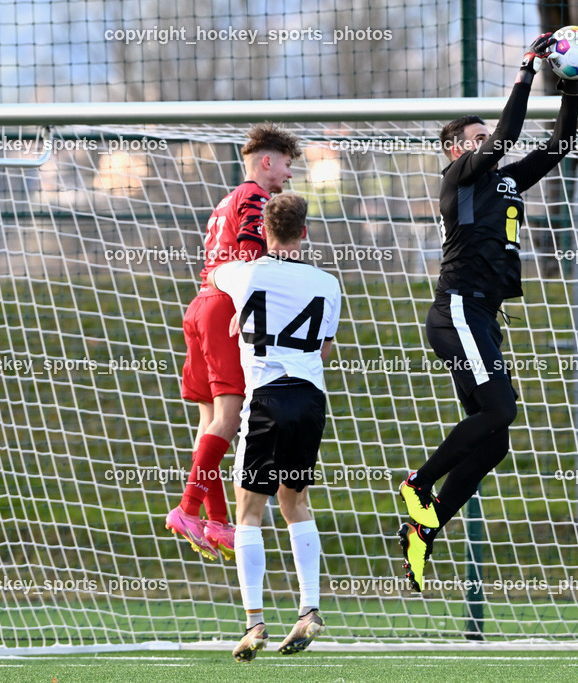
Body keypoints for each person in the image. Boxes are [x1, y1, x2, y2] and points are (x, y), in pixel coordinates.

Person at [398, 33, 578, 592]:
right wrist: (526, 72)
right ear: (458, 150)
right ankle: (419, 483)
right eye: (475, 139)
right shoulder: (459, 179)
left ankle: (423, 532)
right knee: (500, 410)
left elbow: (561, 143)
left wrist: (568, 85)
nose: (487, 143)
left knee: (495, 438)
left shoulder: (503, 180)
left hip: (479, 318)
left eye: (483, 137)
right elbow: (505, 136)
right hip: (457, 310)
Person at [208, 192, 341, 662]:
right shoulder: (328, 283)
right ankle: (308, 610)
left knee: (249, 512)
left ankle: (253, 623)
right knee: (296, 501)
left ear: (265, 231)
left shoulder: (242, 273)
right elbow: (323, 350)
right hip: (309, 399)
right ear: (305, 232)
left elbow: (215, 273)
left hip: (265, 397)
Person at [166, 123, 302, 562]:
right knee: (229, 416)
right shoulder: (257, 199)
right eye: (285, 165)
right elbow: (248, 252)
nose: (288, 175)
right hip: (226, 306)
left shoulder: (226, 199)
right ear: (267, 162)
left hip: (201, 304)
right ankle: (187, 509)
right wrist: (248, 309)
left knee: (209, 423)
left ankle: (217, 522)